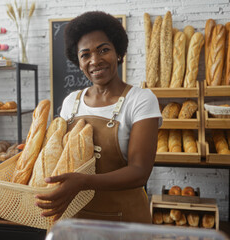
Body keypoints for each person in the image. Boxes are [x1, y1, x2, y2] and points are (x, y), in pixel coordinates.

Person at [35, 11, 162, 223]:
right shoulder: (71, 103)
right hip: (75, 220)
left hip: (125, 222)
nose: (95, 60)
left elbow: (140, 171)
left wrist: (84, 182)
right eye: (85, 54)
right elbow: (60, 157)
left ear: (119, 53)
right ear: (78, 61)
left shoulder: (140, 100)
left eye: (104, 50)